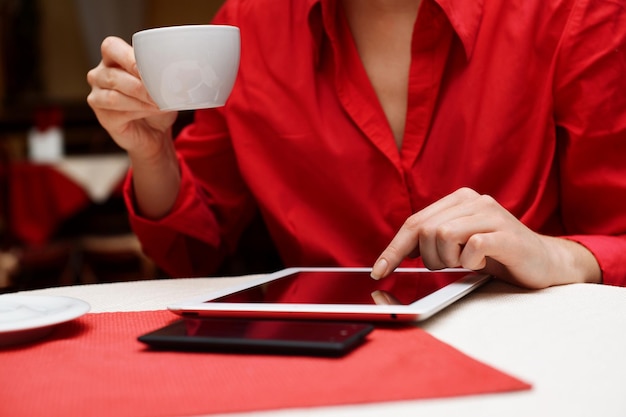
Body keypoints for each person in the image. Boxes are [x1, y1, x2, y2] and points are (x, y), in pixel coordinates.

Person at [87, 0, 626, 292]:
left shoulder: (573, 13)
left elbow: (615, 239)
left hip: (534, 347)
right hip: (322, 364)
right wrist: (152, 153)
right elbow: (192, 247)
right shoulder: (248, 26)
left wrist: (555, 253)